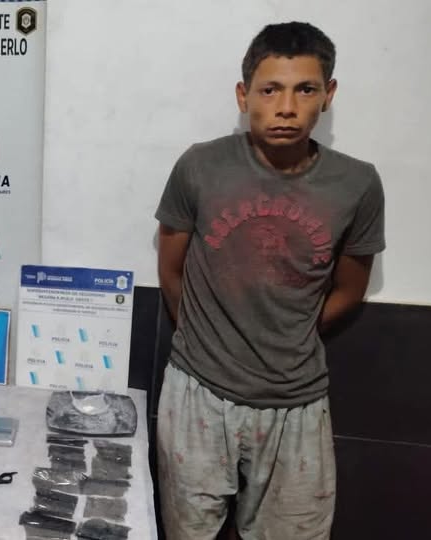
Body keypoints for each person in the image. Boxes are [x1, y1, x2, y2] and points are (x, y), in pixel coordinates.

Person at [154, 21, 386, 540]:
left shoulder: (357, 183)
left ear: (328, 95)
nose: (286, 107)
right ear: (243, 96)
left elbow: (351, 287)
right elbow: (170, 270)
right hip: (197, 392)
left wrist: (291, 333)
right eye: (269, 90)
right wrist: (207, 340)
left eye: (304, 89)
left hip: (297, 402)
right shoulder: (200, 167)